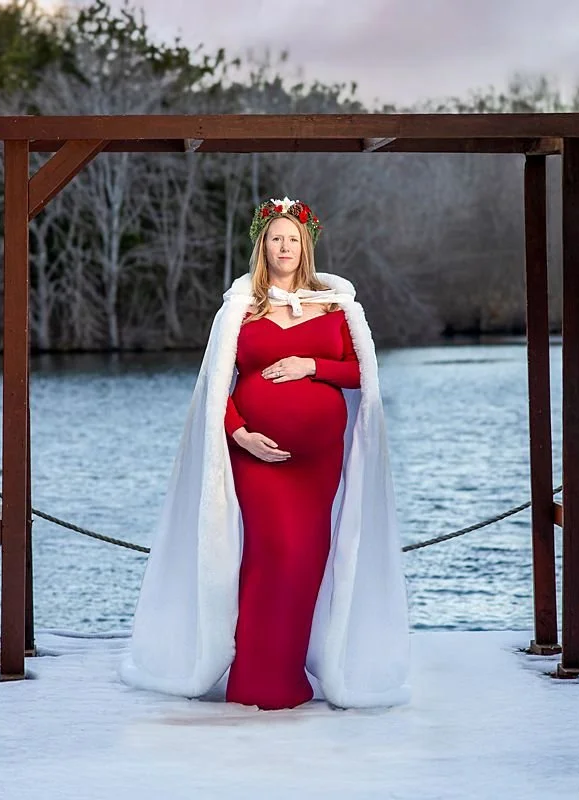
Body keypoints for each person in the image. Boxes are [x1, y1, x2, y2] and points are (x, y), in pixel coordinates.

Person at [120, 196, 410, 711]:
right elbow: (217, 388)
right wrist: (239, 435)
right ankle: (256, 680)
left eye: (293, 238)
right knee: (268, 554)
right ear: (263, 245)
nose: (284, 246)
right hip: (256, 458)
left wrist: (310, 365)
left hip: (317, 466)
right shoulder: (240, 308)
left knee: (307, 557)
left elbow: (360, 373)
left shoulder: (335, 305)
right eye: (276, 237)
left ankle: (290, 674)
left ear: (306, 246)